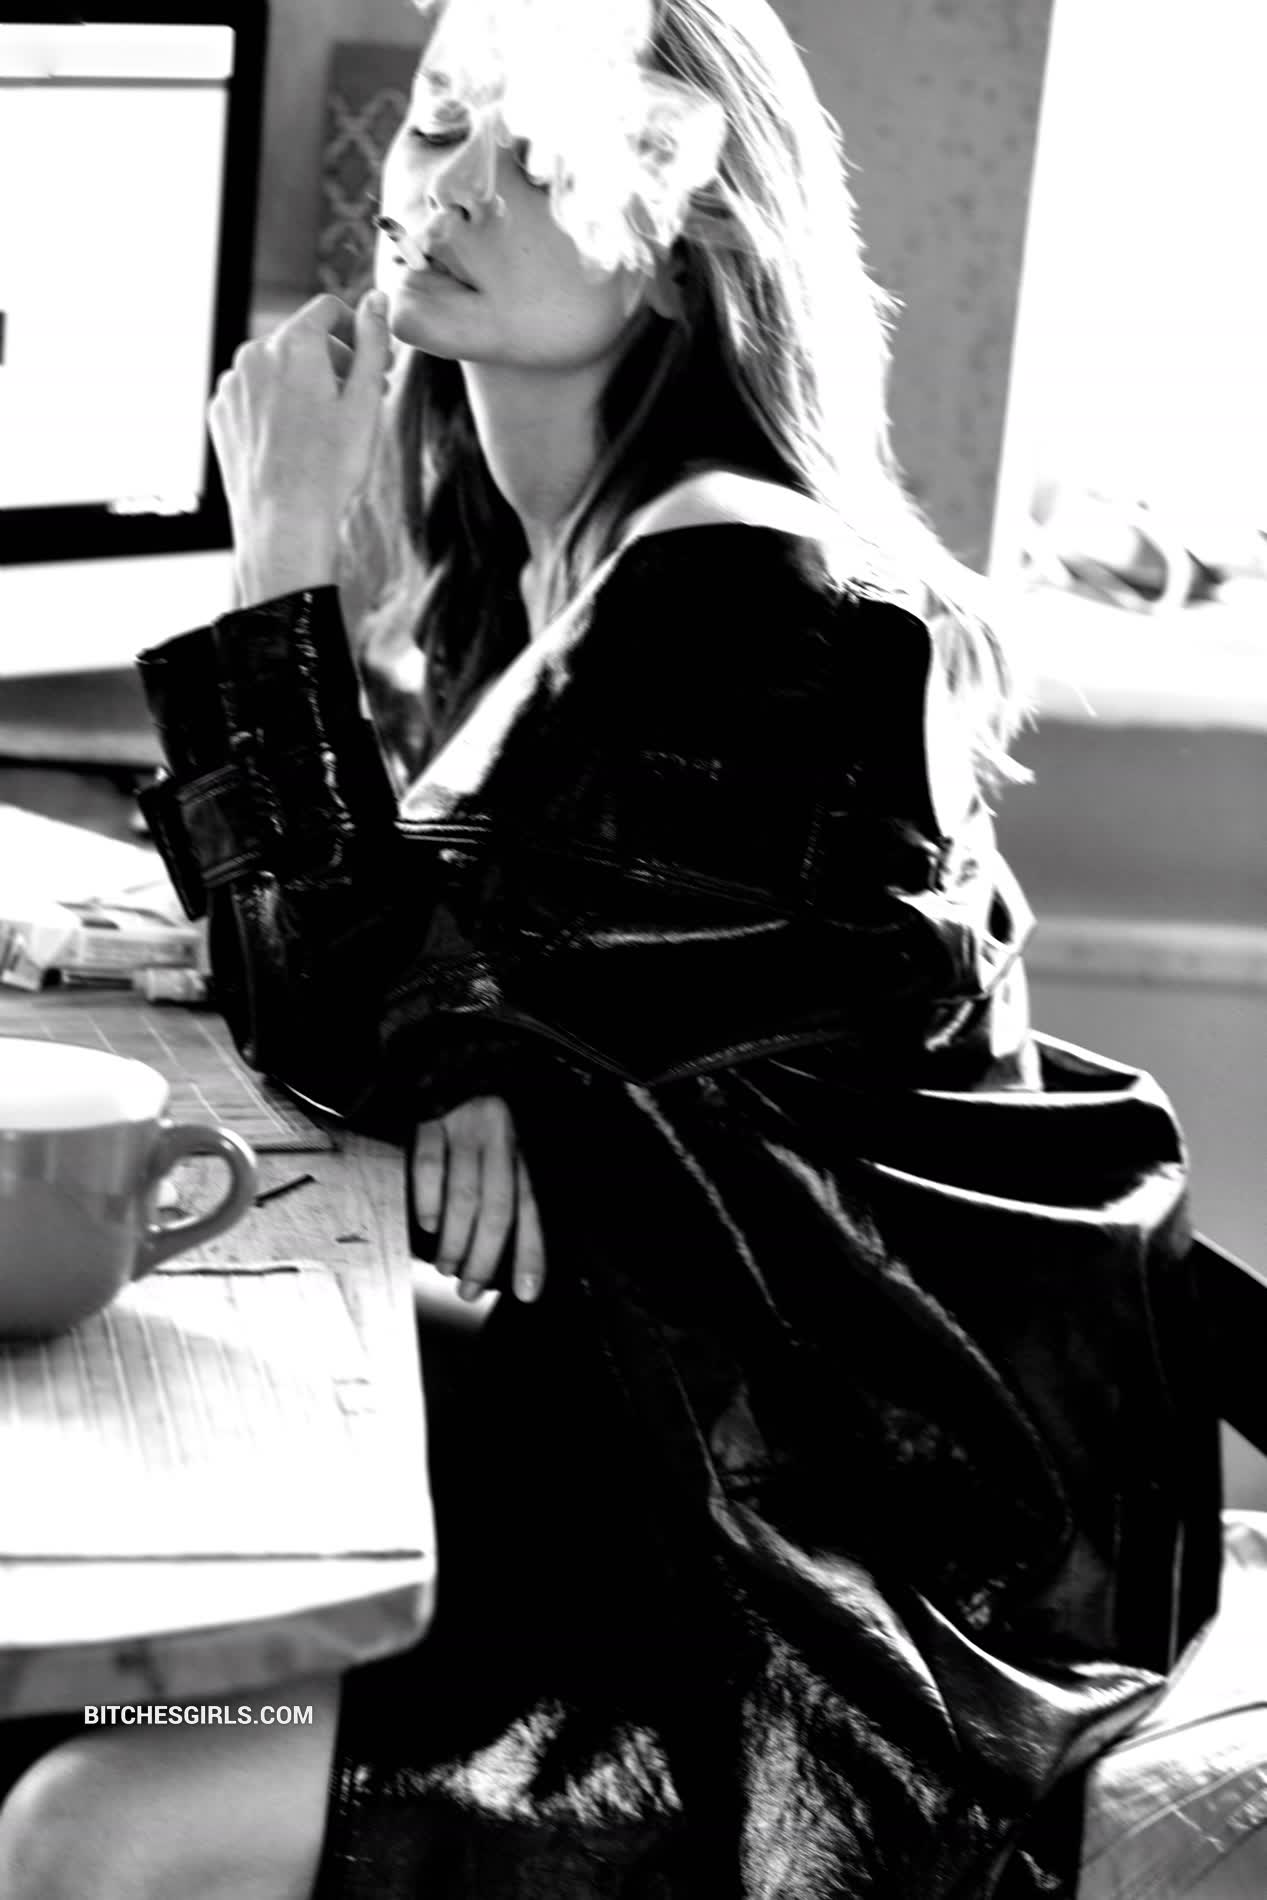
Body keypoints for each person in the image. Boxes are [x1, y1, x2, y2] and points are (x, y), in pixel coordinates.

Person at [0, 0, 1223, 1895]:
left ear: (683, 236)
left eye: (538, 147)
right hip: (614, 1426)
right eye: (441, 126)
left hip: (771, 1592)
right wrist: (466, 1038)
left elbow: (346, 1009)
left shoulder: (753, 597)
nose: (457, 183)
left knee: (98, 1820)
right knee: (102, 1483)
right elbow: (413, 1008)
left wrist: (281, 565)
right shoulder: (569, 568)